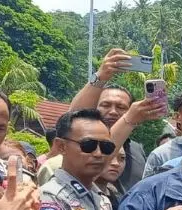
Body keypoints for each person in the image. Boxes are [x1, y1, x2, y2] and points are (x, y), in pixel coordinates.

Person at [66, 49, 157, 190]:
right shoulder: (83, 146)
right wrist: (100, 77)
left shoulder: (136, 150)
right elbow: (73, 117)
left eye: (121, 107)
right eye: (106, 105)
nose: (113, 112)